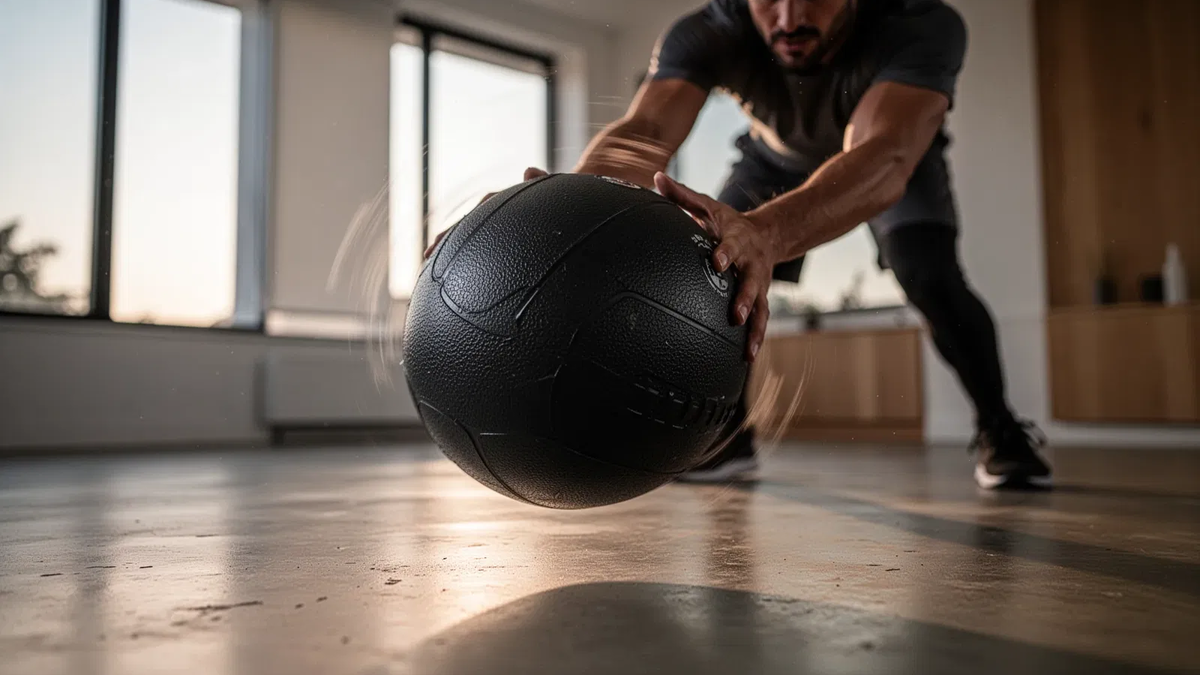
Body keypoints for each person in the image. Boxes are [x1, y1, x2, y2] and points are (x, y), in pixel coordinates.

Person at [431, 0, 1053, 490]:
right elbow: (646, 130)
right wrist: (562, 205)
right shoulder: (711, 28)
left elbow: (883, 156)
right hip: (772, 160)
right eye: (768, 0)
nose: (788, 17)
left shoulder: (921, 23)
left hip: (887, 160)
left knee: (931, 276)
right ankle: (727, 437)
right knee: (715, 261)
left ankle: (1001, 428)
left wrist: (769, 232)